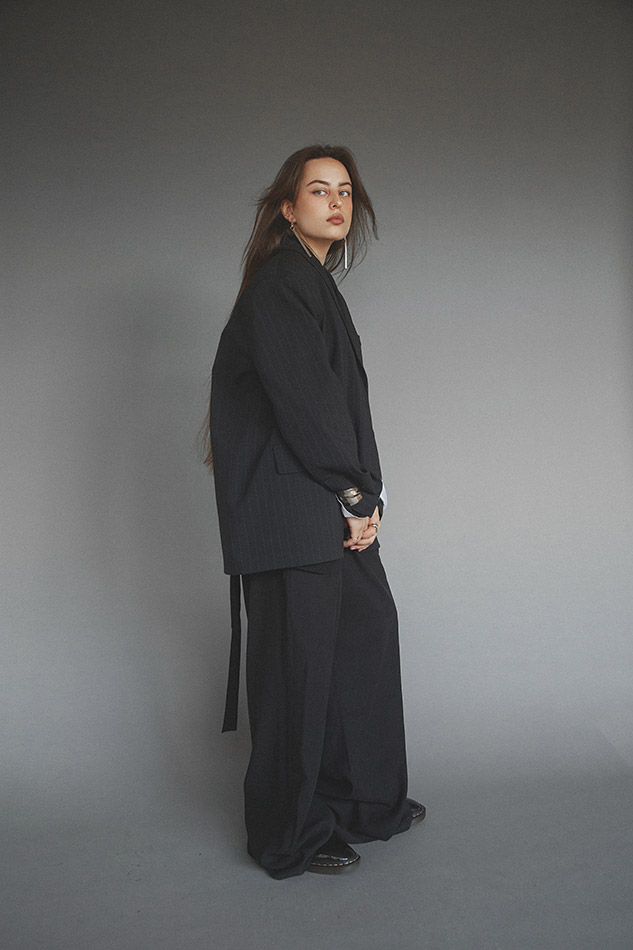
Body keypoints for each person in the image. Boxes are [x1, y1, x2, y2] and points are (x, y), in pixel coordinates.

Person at [208, 144, 425, 879]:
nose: (335, 202)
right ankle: (287, 836)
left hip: (325, 503)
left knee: (362, 641)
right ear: (286, 207)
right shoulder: (280, 288)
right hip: (289, 511)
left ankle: (362, 803)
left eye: (344, 192)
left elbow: (335, 408)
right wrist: (356, 493)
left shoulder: (313, 286)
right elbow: (305, 408)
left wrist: (366, 497)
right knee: (299, 675)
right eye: (318, 190)